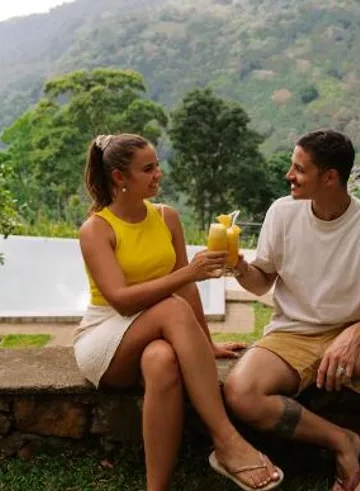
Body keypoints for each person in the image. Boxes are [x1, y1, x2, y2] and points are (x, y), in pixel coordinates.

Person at [223, 129, 360, 491]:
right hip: (291, 335)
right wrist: (240, 267)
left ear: (330, 177)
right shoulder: (282, 212)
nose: (289, 175)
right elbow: (262, 281)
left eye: (299, 169)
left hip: (354, 336)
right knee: (241, 392)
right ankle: (342, 441)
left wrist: (353, 336)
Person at [72, 133, 283, 491]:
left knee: (162, 361)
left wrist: (205, 343)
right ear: (120, 177)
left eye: (157, 166)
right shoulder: (96, 229)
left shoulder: (166, 216)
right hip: (106, 337)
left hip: (152, 331)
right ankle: (226, 440)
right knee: (171, 308)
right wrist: (188, 273)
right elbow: (121, 300)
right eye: (148, 169)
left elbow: (185, 288)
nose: (158, 174)